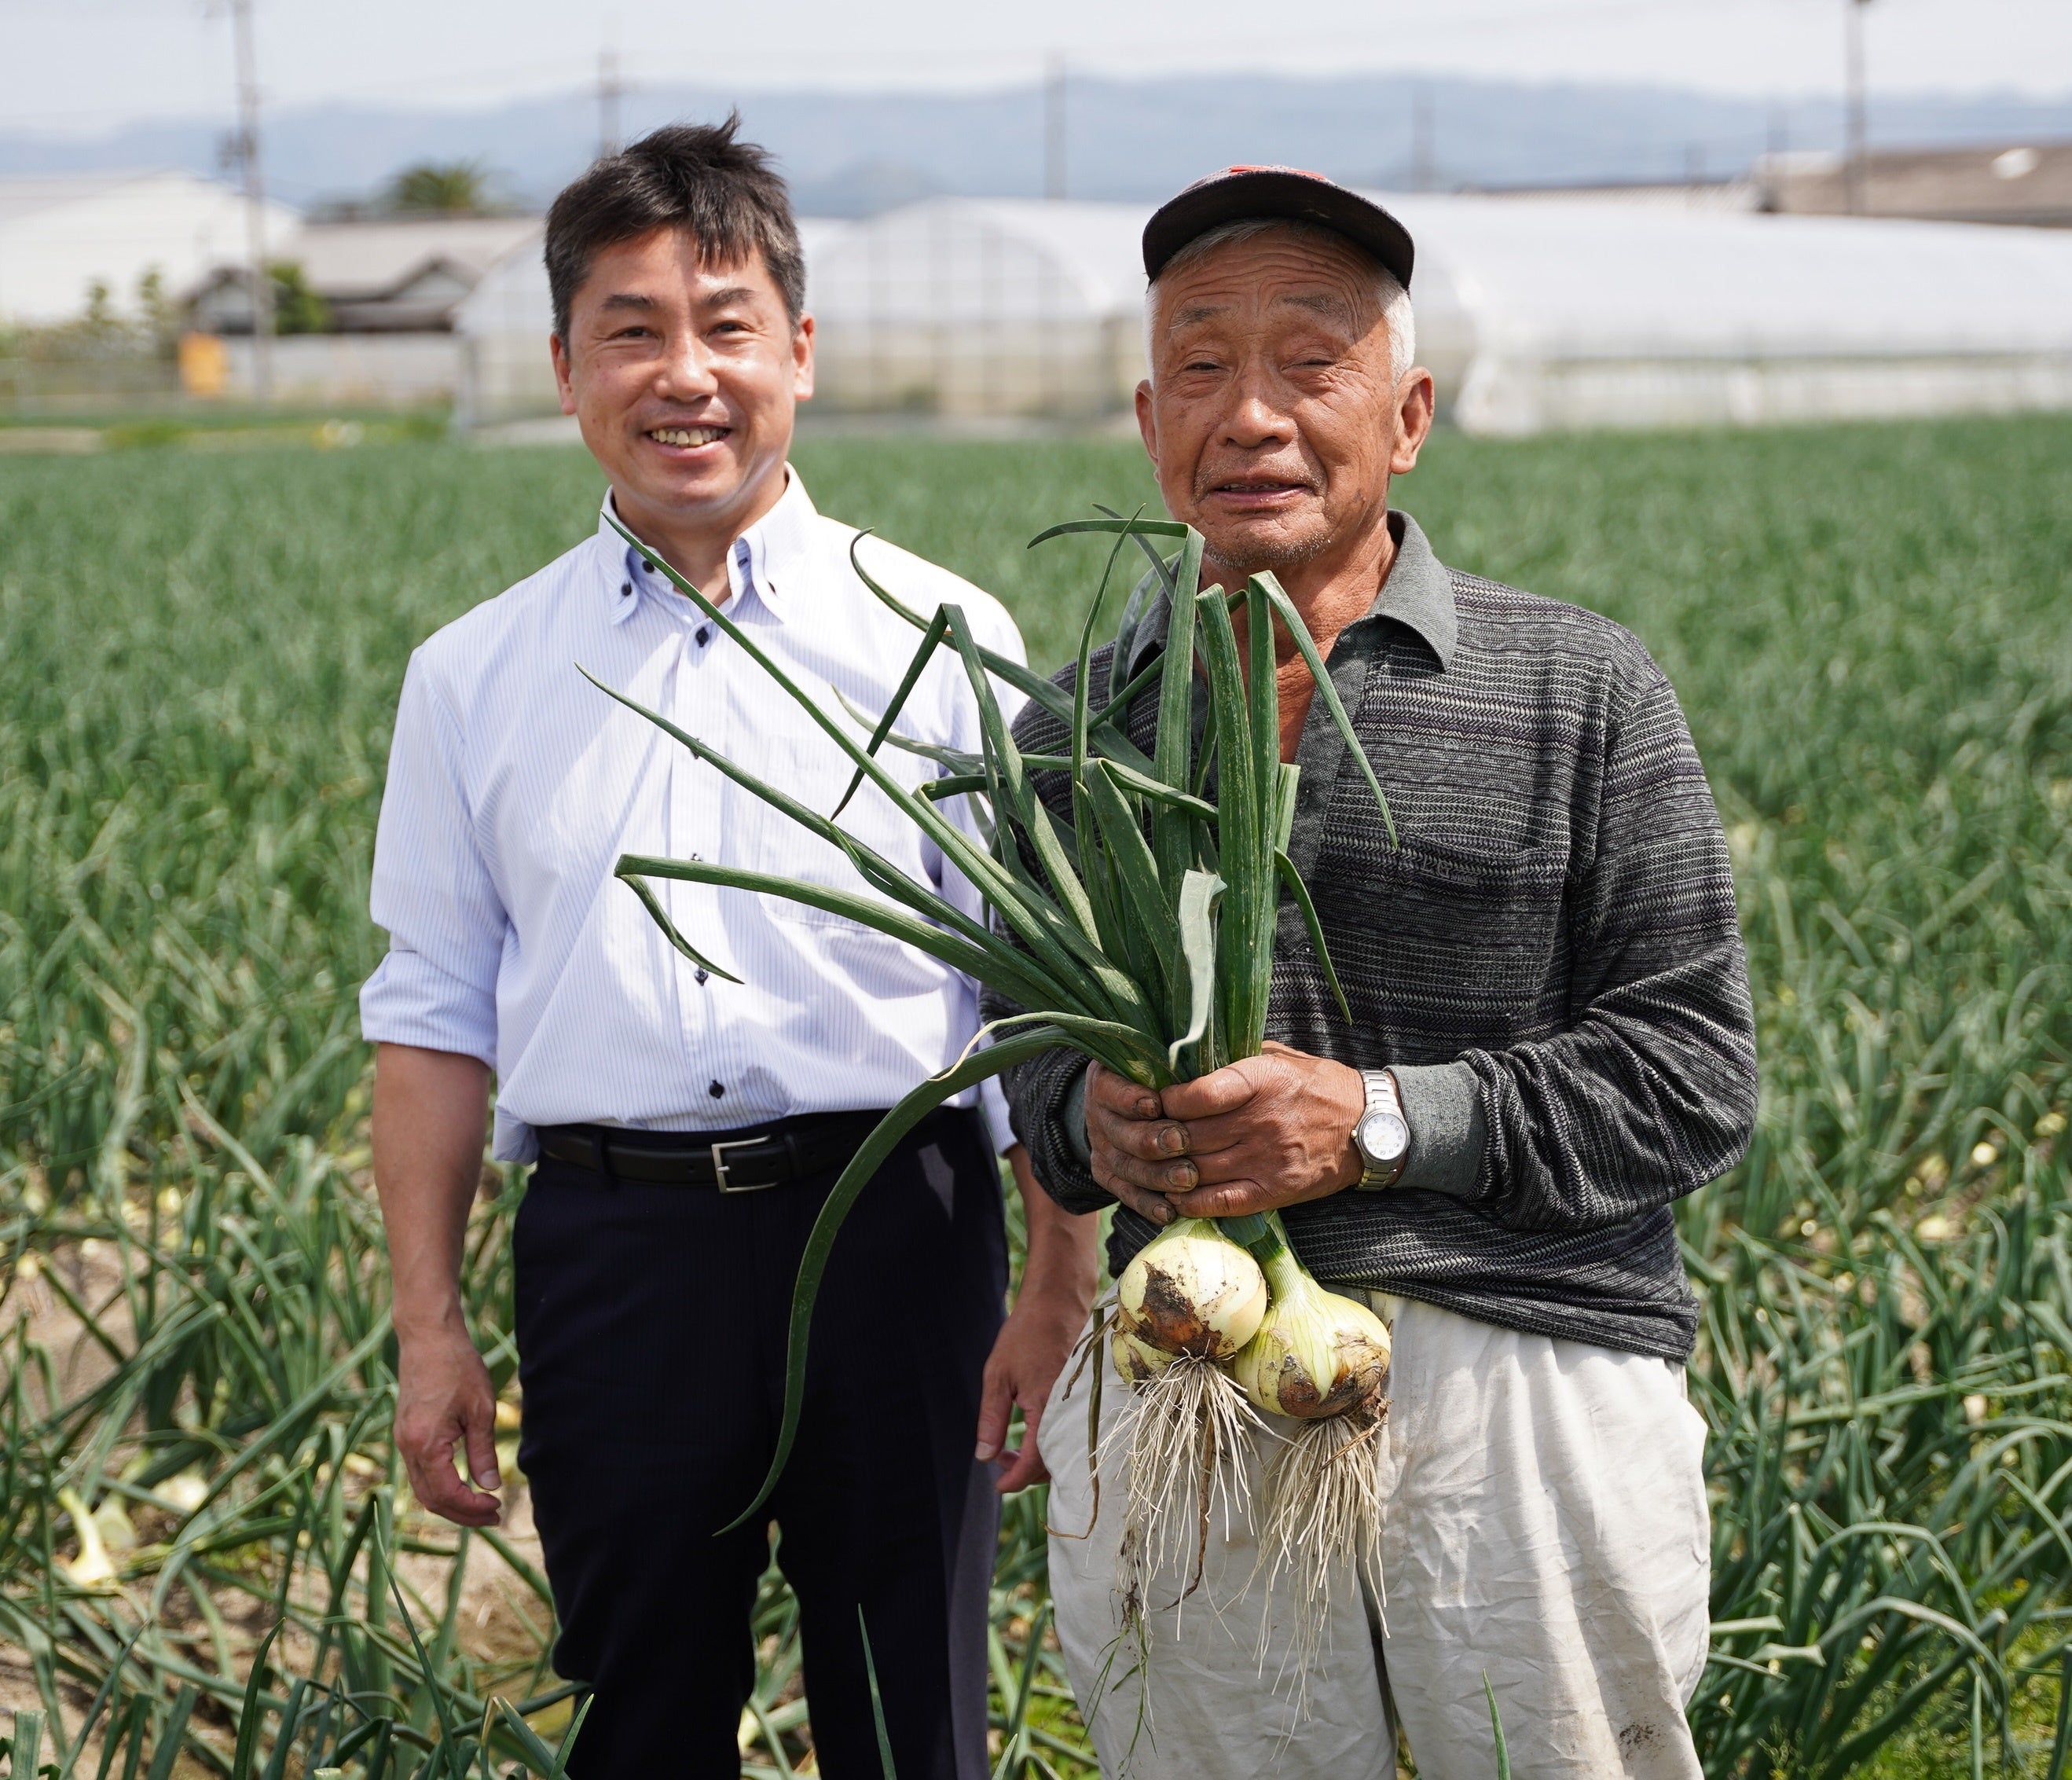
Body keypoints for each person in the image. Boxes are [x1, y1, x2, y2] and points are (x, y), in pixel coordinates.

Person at [361, 118, 1099, 1780]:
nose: (680, 373)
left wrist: (1059, 1279)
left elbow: (1032, 990)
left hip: (896, 1234)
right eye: (630, 329)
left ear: (800, 352)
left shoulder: (937, 634)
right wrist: (430, 1325)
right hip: (616, 1256)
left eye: (723, 322)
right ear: (563, 369)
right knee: (644, 1720)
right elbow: (426, 1020)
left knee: (912, 1718)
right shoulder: (473, 674)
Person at [999, 167, 1758, 1780]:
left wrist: (1376, 1122)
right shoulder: (1073, 725)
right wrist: (1099, 1124)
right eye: (1201, 366)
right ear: (1148, 423)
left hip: (1518, 1359)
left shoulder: (1578, 686)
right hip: (1189, 1350)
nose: (1250, 411)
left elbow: (1692, 1073)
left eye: (1309, 360)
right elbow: (1030, 1073)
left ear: (1405, 414)